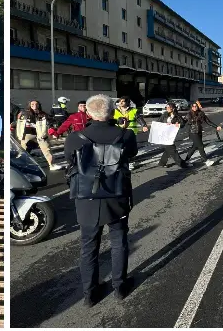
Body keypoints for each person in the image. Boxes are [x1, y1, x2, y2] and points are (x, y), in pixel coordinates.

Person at [65, 94, 139, 306]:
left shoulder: (74, 138)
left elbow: (71, 160)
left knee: (88, 246)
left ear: (88, 113)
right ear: (112, 112)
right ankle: (120, 286)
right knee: (119, 239)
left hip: (86, 196)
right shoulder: (126, 135)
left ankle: (90, 293)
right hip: (116, 193)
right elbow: (131, 154)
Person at [15, 100, 57, 170]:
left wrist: (52, 128)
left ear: (39, 105)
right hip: (28, 133)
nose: (34, 106)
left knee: (46, 148)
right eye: (32, 104)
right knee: (23, 149)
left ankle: (52, 165)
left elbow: (51, 121)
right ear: (29, 105)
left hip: (40, 133)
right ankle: (22, 165)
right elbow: (19, 123)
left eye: (36, 104)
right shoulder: (25, 113)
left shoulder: (43, 114)